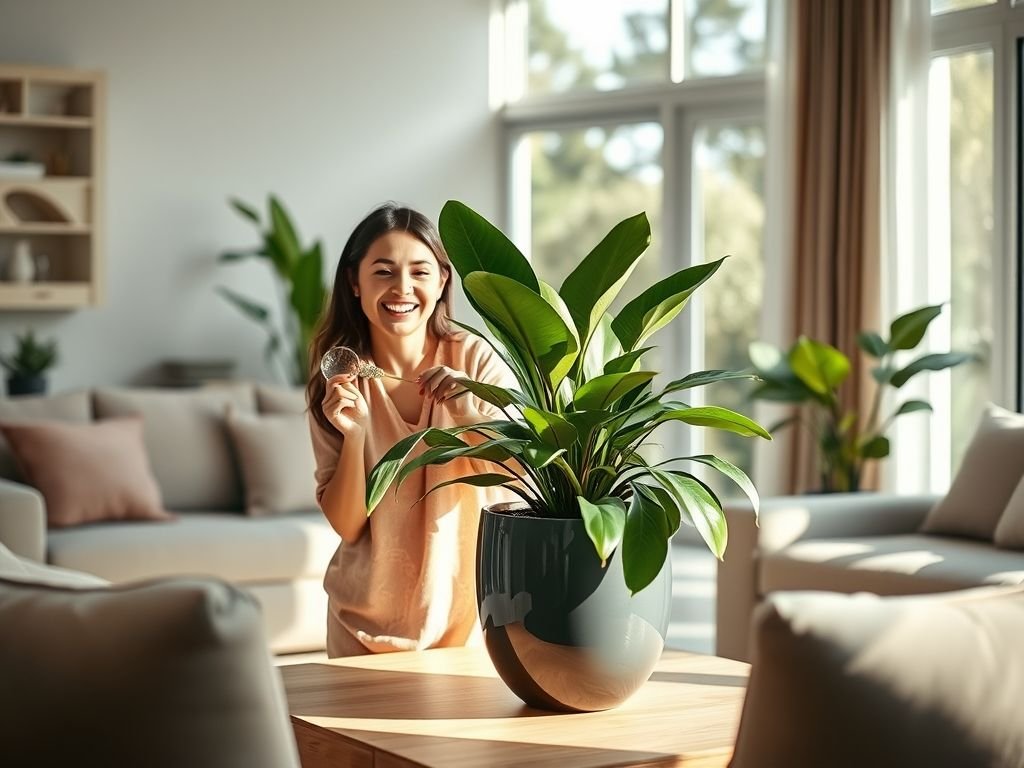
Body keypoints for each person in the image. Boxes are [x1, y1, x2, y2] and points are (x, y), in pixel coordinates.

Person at [306, 202, 514, 657]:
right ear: (354, 282)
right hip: (360, 628)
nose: (402, 288)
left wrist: (465, 412)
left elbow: (524, 472)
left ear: (441, 282)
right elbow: (347, 524)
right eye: (383, 271)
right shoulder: (339, 380)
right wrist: (356, 434)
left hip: (469, 630)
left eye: (420, 272)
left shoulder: (475, 361)